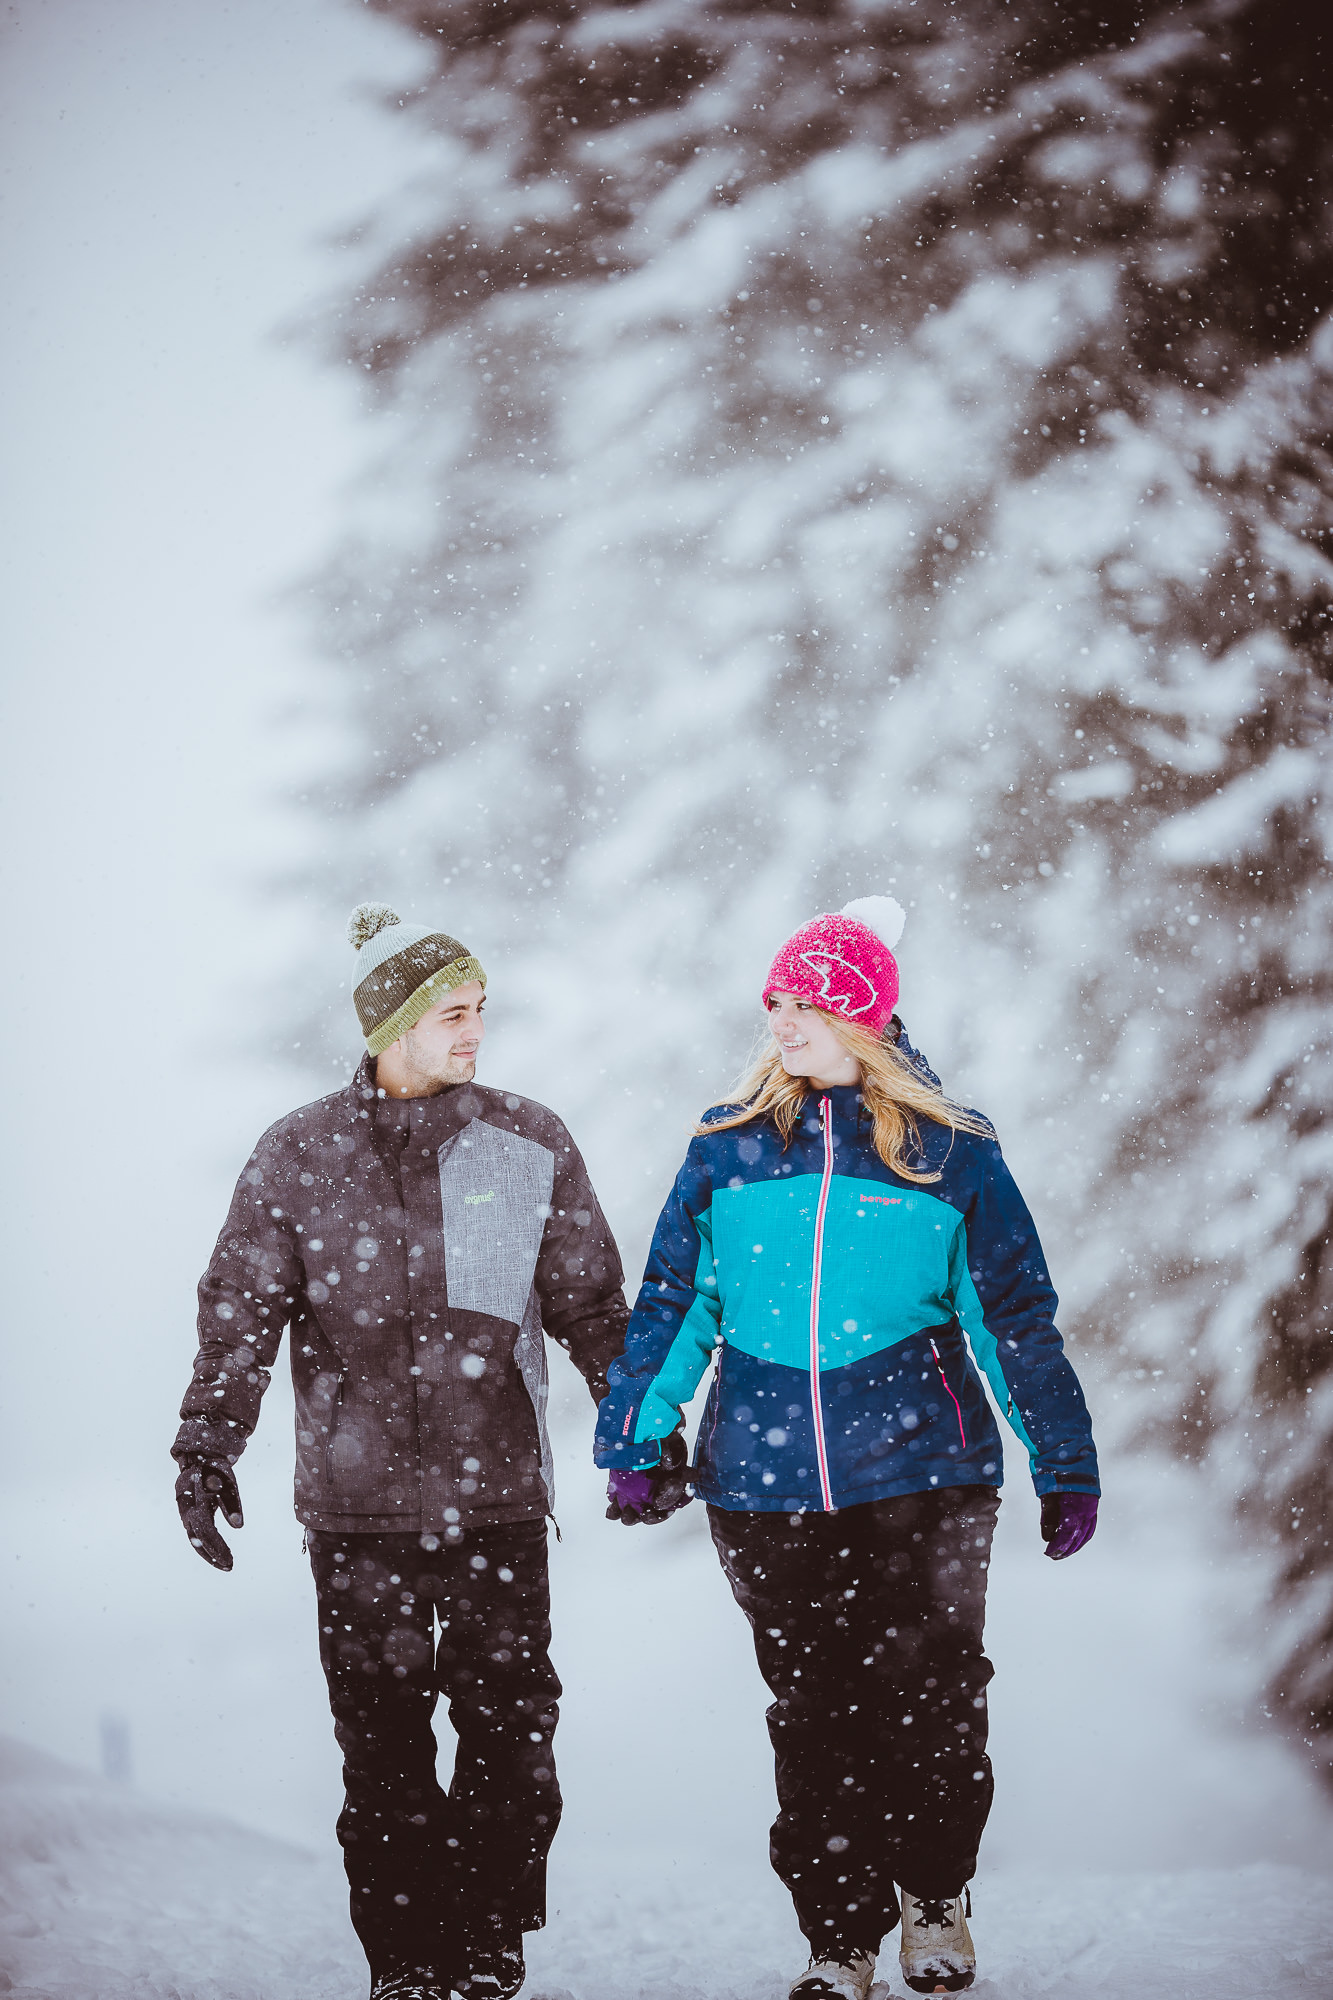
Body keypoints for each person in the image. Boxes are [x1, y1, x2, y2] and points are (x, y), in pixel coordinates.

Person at [595, 896, 1099, 1998]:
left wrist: (1062, 1458)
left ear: (864, 1012)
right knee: (812, 1706)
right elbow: (678, 1298)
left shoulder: (948, 1154)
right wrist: (637, 1430)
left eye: (807, 999)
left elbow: (1011, 1317)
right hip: (763, 1478)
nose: (782, 1018)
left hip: (926, 1471)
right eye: (775, 999)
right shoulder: (727, 1149)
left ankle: (931, 1893)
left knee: (930, 1690)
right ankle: (837, 1933)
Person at [174, 903, 629, 2000]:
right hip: (357, 1506)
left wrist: (640, 1424)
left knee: (513, 1733)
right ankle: (405, 1959)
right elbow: (240, 1307)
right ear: (395, 1022)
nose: (475, 1031)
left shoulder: (528, 1141)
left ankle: (487, 1931)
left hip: (500, 1499)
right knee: (381, 1747)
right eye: (454, 1013)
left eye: (482, 1010)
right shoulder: (299, 1151)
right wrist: (206, 1444)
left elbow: (592, 1306)